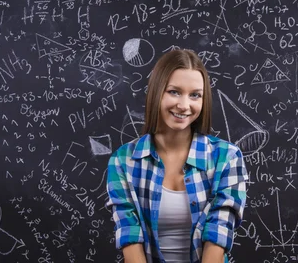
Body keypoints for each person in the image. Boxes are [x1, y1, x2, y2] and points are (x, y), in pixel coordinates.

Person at [106, 49, 249, 263]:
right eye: (174, 92)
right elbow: (129, 235)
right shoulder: (123, 161)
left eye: (195, 95)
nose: (184, 105)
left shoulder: (227, 158)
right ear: (157, 92)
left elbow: (218, 236)